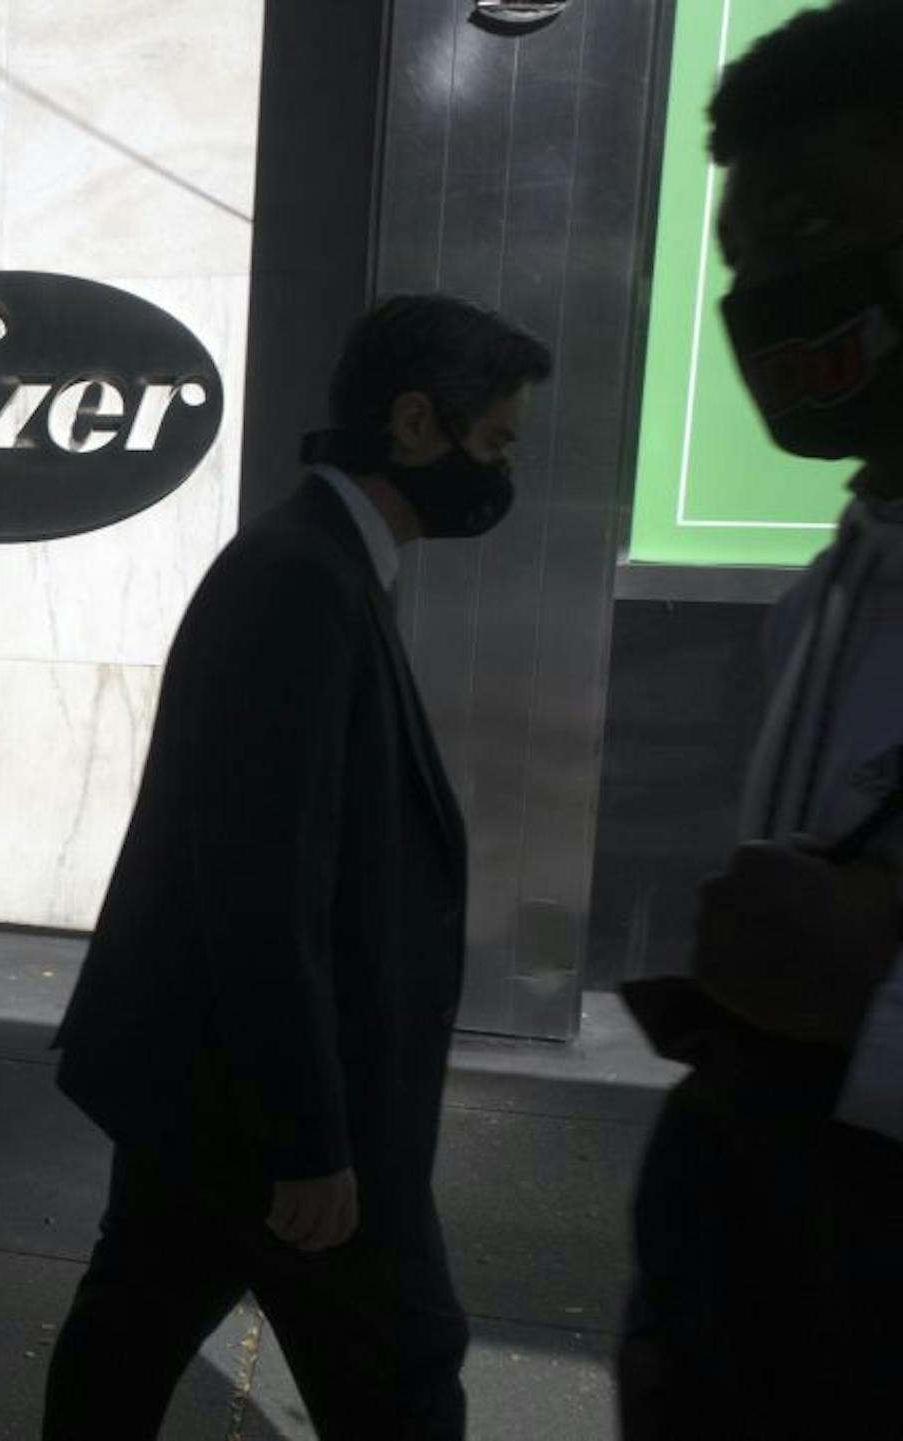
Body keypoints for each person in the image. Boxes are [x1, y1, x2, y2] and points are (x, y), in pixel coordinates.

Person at [43, 297, 553, 1440]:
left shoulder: (320, 568)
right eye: (499, 441)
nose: (504, 471)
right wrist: (311, 1142)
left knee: (129, 1332)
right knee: (400, 1371)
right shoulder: (298, 583)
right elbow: (261, 883)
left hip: (217, 1095)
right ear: (416, 424)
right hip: (284, 1110)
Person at [617, 4, 903, 1435]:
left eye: (823, 227)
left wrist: (870, 1000)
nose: (778, 299)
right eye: (746, 260)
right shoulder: (832, 589)